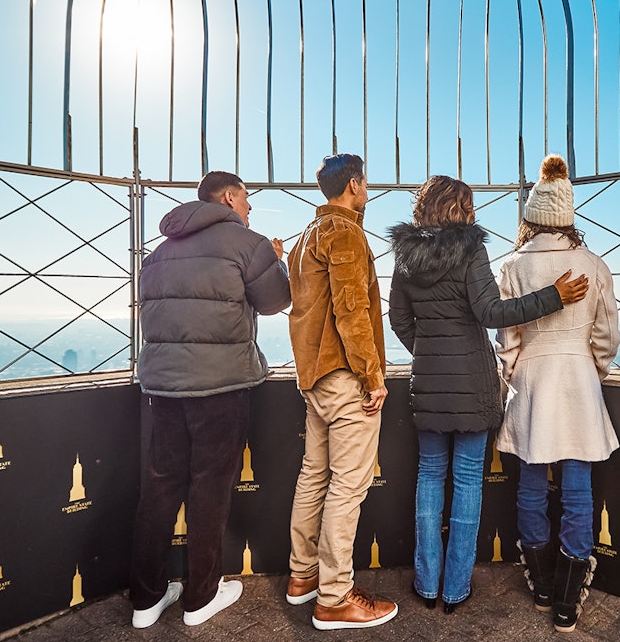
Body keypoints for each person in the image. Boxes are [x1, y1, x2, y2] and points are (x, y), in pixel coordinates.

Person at [387, 176, 589, 615]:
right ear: (460, 209)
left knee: (428, 479)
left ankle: (426, 583)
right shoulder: (469, 249)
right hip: (473, 383)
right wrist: (553, 296)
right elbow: (492, 313)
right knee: (467, 482)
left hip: (429, 382)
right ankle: (455, 588)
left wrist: (428, 351)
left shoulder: (405, 255)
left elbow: (399, 320)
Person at [130, 171, 291, 629]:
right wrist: (274, 261)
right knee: (209, 490)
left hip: (162, 388)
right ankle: (200, 598)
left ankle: (145, 600)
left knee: (159, 489)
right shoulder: (247, 243)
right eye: (246, 198)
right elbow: (276, 301)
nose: (250, 208)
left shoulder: (159, 251)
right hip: (220, 388)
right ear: (227, 196)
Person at [495, 154, 620, 633]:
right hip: (579, 382)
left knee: (530, 486)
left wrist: (516, 378)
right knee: (577, 491)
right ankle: (568, 601)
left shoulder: (511, 265)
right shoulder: (593, 264)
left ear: (531, 216)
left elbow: (507, 340)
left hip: (530, 382)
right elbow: (607, 337)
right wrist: (593, 371)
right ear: (569, 215)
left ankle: (543, 585)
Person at [284, 154, 398, 630]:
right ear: (354, 184)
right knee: (347, 487)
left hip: (314, 378)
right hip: (346, 377)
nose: (368, 188)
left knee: (314, 476)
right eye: (366, 181)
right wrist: (373, 376)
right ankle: (333, 598)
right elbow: (352, 312)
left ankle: (302, 577)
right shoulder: (346, 233)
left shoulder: (304, 238)